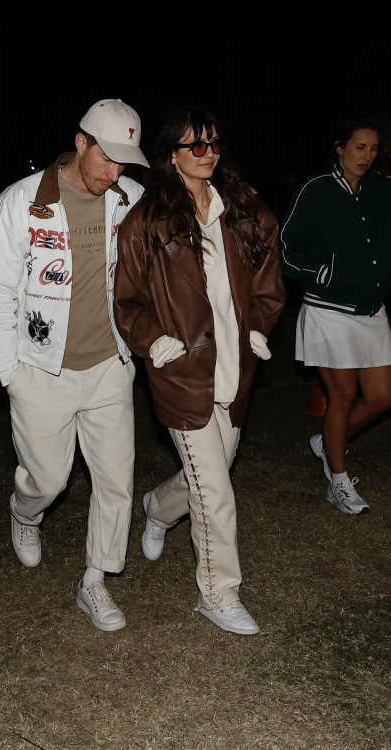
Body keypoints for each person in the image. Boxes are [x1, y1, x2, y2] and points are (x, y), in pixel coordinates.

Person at [0, 99, 148, 632]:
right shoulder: (23, 202)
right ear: (80, 142)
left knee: (116, 480)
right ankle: (24, 514)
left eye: (124, 162)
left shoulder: (131, 199)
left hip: (108, 366)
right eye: (106, 159)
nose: (113, 173)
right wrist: (9, 372)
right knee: (49, 480)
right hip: (40, 370)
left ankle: (94, 580)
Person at [114, 106, 284, 635]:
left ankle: (157, 508)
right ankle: (219, 591)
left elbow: (267, 277)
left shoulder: (243, 209)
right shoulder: (148, 220)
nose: (208, 154)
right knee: (215, 492)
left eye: (215, 145)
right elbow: (128, 302)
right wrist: (152, 340)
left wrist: (259, 324)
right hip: (182, 373)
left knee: (204, 480)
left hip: (234, 370)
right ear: (172, 154)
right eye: (196, 147)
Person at [280, 118, 391, 514]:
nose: (367, 156)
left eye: (374, 149)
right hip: (328, 311)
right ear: (340, 147)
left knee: (381, 398)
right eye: (360, 147)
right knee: (341, 397)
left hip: (371, 310)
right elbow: (286, 250)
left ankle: (329, 443)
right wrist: (318, 272)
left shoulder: (381, 189)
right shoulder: (315, 191)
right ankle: (338, 483)